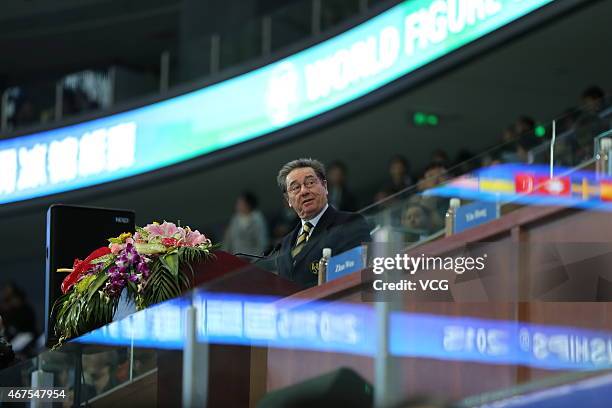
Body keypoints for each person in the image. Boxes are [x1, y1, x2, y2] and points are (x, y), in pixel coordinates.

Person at [275, 158, 371, 287]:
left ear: (325, 187)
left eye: (310, 183)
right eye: (295, 188)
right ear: (288, 200)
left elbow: (357, 277)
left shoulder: (349, 223)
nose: (304, 191)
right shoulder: (284, 245)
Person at [222, 191, 269, 257]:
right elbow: (228, 240)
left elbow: (262, 242)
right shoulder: (235, 219)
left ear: (248, 204)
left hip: (253, 257)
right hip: (237, 257)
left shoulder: (257, 218)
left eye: (240, 203)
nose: (237, 205)